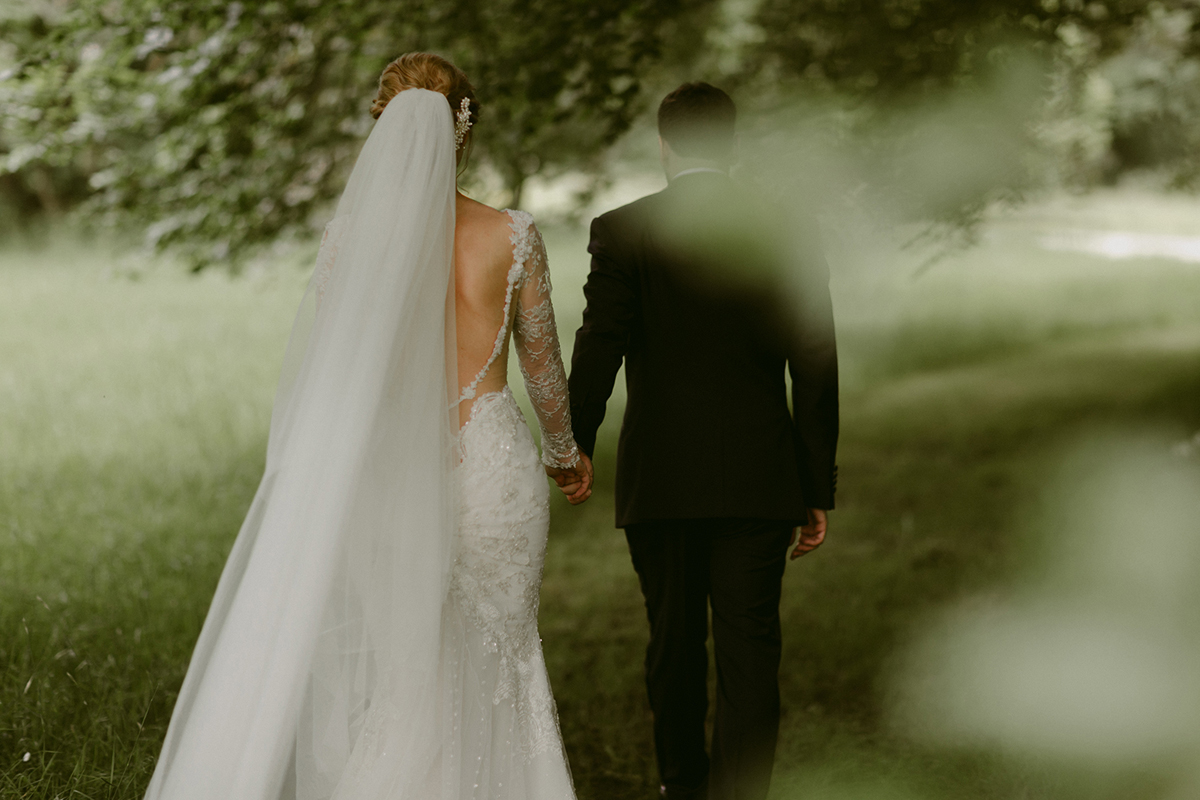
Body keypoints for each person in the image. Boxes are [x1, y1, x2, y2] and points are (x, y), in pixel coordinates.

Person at [144, 53, 591, 800]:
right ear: (464, 129)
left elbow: (340, 374)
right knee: (506, 653)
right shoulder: (512, 234)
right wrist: (563, 451)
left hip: (390, 471)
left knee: (407, 670)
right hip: (492, 466)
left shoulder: (350, 244)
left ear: (384, 132)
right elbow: (542, 368)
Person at [568, 82, 839, 800]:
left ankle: (682, 789)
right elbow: (815, 359)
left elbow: (599, 344)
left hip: (660, 476)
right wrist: (814, 488)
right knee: (752, 655)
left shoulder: (622, 230)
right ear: (732, 143)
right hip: (759, 478)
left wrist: (576, 441)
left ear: (664, 144)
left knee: (673, 649)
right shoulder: (786, 227)